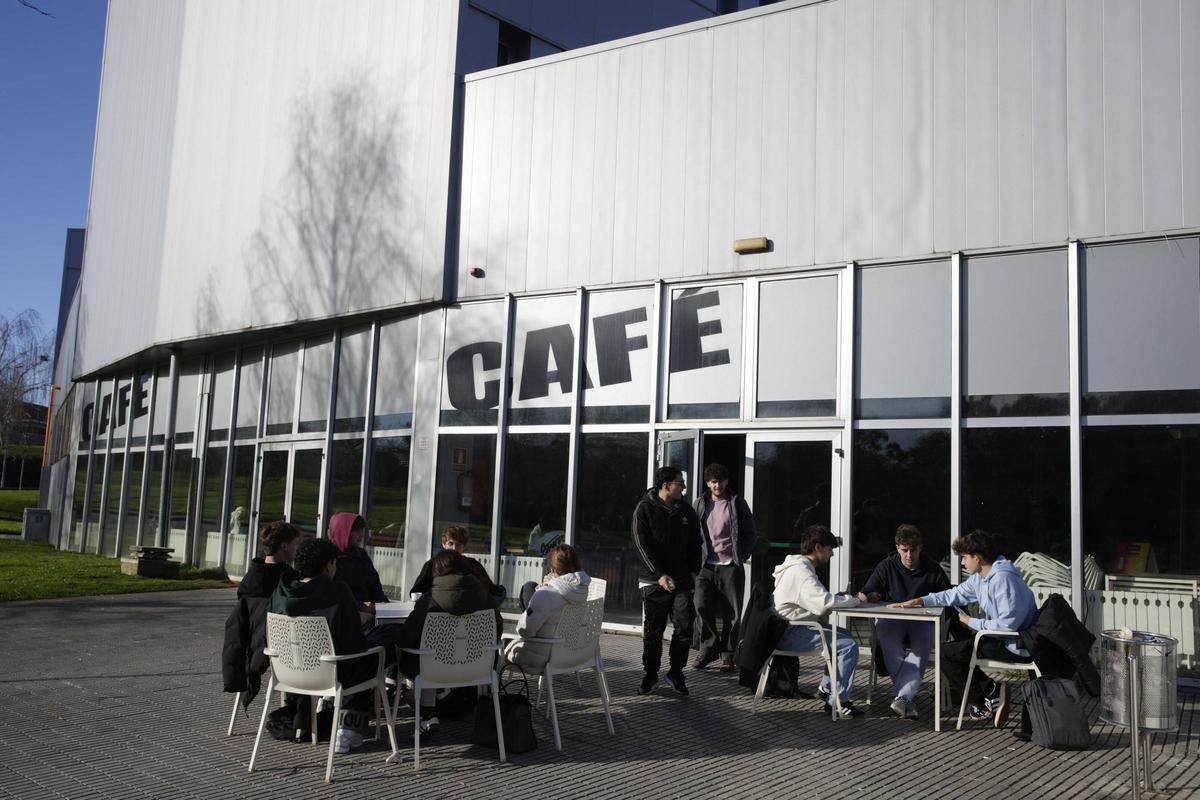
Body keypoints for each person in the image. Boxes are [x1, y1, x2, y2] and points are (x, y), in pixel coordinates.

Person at [891, 529, 1037, 727]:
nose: (961, 563)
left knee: (947, 654)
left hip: (1017, 644)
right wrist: (920, 601)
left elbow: (1008, 625)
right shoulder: (982, 577)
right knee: (949, 652)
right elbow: (953, 595)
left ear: (977, 558)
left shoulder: (1003, 579)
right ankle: (990, 694)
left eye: (964, 558)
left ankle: (988, 696)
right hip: (1000, 638)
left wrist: (971, 622)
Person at [270, 538, 374, 754]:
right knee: (369, 659)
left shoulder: (280, 592)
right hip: (328, 674)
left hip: (287, 674)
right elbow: (354, 643)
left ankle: (327, 707)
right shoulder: (337, 591)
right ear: (328, 565)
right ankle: (346, 729)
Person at [400, 549, 503, 738]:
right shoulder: (486, 597)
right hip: (478, 670)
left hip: (434, 668)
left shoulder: (429, 600)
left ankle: (426, 714)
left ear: (436, 571)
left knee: (426, 654)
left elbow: (408, 637)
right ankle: (429, 714)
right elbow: (497, 630)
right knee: (430, 654)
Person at [855, 523, 950, 718]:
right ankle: (906, 698)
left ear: (920, 548)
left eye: (913, 551)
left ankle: (902, 696)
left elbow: (946, 596)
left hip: (923, 619)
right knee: (888, 639)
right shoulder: (887, 565)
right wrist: (871, 595)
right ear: (897, 547)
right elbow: (869, 590)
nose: (909, 555)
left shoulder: (933, 569)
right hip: (893, 618)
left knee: (922, 643)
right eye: (904, 550)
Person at [771, 525, 863, 718]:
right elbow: (824, 603)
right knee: (848, 646)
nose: (832, 555)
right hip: (789, 632)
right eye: (830, 549)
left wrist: (839, 598)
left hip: (786, 627)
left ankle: (826, 689)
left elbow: (817, 599)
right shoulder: (802, 572)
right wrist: (855, 600)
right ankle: (838, 701)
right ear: (818, 547)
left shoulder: (799, 566)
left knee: (844, 635)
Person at [632, 466, 703, 697]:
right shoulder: (644, 509)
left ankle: (675, 672)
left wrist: (693, 571)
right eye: (679, 483)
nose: (683, 486)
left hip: (682, 581)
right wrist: (658, 574)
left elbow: (695, 543)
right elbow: (641, 545)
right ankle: (650, 675)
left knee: (684, 627)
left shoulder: (686, 511)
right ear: (665, 486)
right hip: (654, 582)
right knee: (654, 630)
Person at [222, 520, 300, 710]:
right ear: (284, 546)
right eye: (295, 545)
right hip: (279, 647)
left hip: (250, 647)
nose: (297, 550)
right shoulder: (287, 579)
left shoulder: (251, 577)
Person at [692, 462, 756, 672]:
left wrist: (743, 554)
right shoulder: (700, 503)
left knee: (733, 613)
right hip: (705, 565)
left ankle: (728, 654)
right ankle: (708, 649)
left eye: (720, 481)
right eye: (713, 482)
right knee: (700, 605)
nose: (717, 485)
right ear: (707, 483)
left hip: (730, 565)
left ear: (726, 481)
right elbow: (693, 533)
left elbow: (750, 532)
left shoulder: (737, 503)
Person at [506, 544, 591, 670]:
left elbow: (525, 631)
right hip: (571, 653)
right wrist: (549, 584)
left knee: (503, 645)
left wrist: (543, 588)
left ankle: (492, 688)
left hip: (543, 656)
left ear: (553, 570)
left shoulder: (545, 595)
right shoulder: (582, 591)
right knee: (531, 587)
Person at [408, 525, 502, 601]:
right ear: (444, 544)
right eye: (451, 544)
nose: (454, 548)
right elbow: (416, 592)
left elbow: (490, 589)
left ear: (464, 546)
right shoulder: (432, 564)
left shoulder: (473, 565)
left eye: (458, 544)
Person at [327, 512, 388, 621]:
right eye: (356, 530)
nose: (361, 535)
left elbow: (375, 587)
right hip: (343, 613)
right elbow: (330, 594)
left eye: (362, 530)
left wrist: (386, 607)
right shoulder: (329, 558)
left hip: (370, 610)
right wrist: (360, 605)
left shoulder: (361, 556)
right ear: (344, 532)